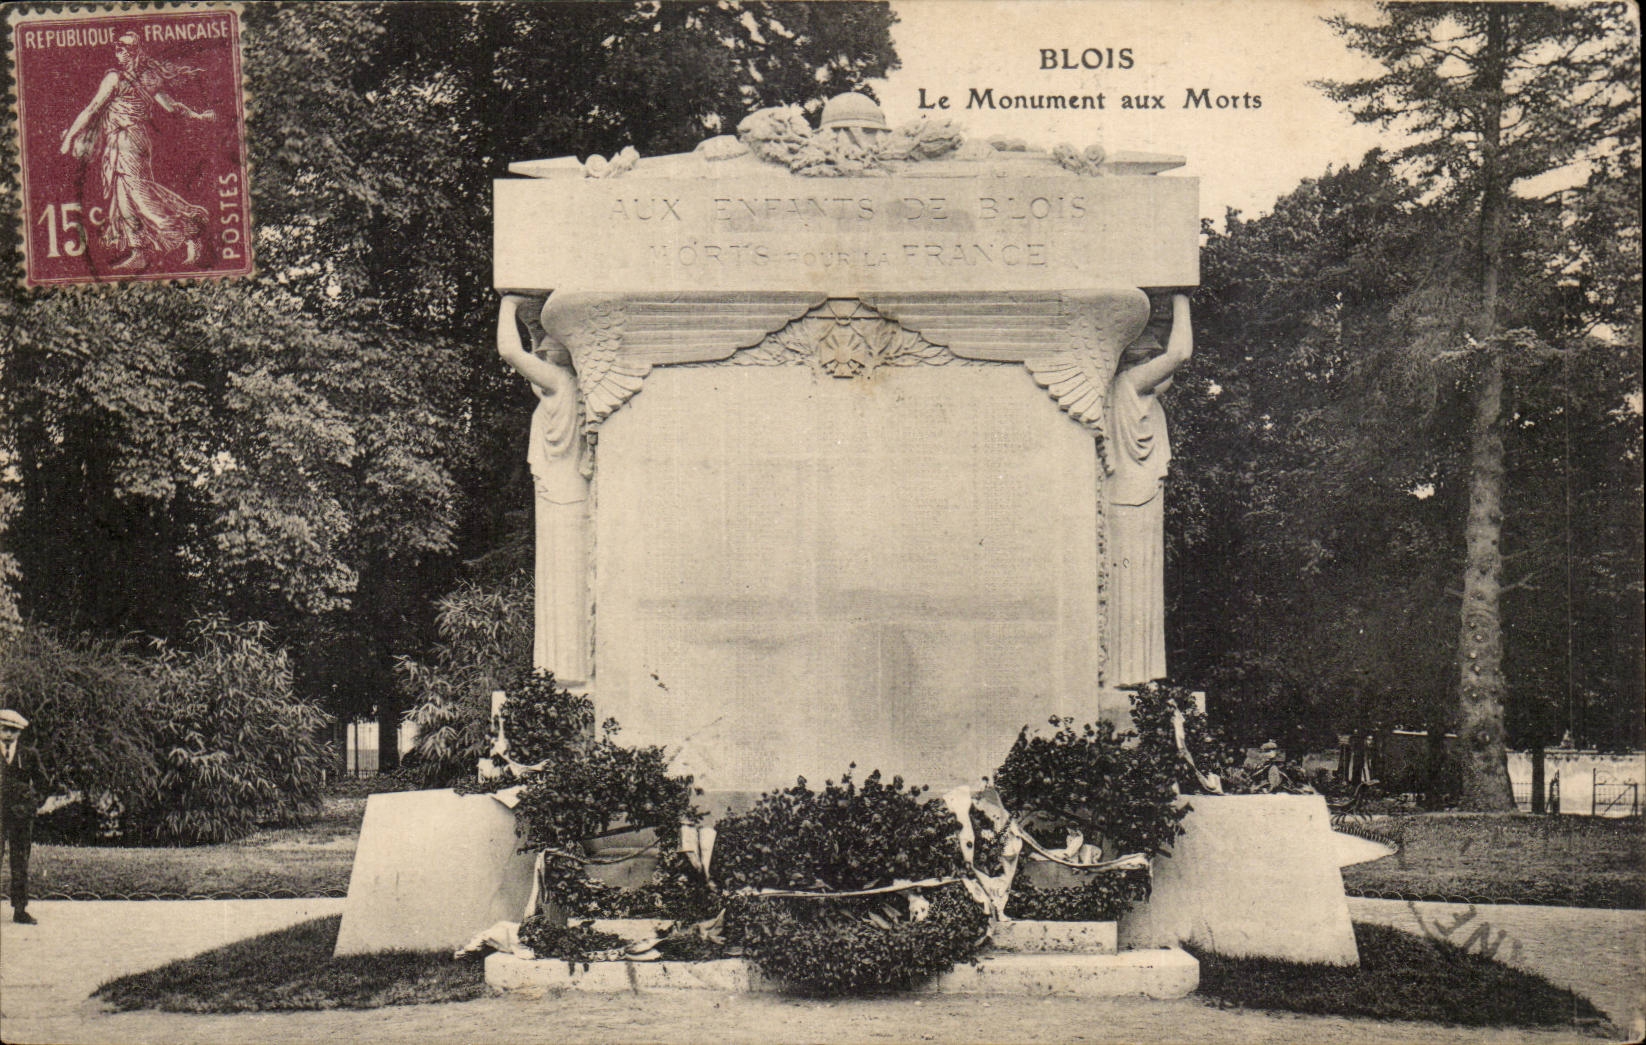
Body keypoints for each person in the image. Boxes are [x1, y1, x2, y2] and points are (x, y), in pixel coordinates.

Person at [58, 31, 215, 270]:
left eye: (123, 50)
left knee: (140, 195)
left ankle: (189, 230)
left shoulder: (116, 78)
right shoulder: (148, 78)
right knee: (124, 197)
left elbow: (92, 110)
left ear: (133, 52)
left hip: (128, 140)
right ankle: (139, 250)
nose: (118, 54)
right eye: (117, 49)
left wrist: (69, 138)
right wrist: (199, 116)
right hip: (122, 141)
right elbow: (172, 107)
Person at [497, 295, 591, 684]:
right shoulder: (570, 388)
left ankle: (563, 672)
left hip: (561, 498)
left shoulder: (561, 384)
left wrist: (510, 304)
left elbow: (509, 350)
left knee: (562, 585)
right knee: (566, 585)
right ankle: (563, 671)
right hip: (566, 496)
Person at [1106, 293, 1192, 687]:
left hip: (1137, 501)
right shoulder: (1127, 385)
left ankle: (1138, 675)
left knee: (1138, 590)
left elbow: (1169, 374)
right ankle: (1129, 675)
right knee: (1131, 590)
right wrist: (1181, 298)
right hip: (1130, 503)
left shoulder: (1135, 392)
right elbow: (1179, 355)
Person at [1, 709, 46, 924]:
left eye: (13, 731)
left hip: (20, 816)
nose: (8, 735)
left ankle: (20, 909)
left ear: (19, 733)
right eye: (4, 729)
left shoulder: (28, 754)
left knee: (20, 862)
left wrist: (32, 805)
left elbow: (43, 784)